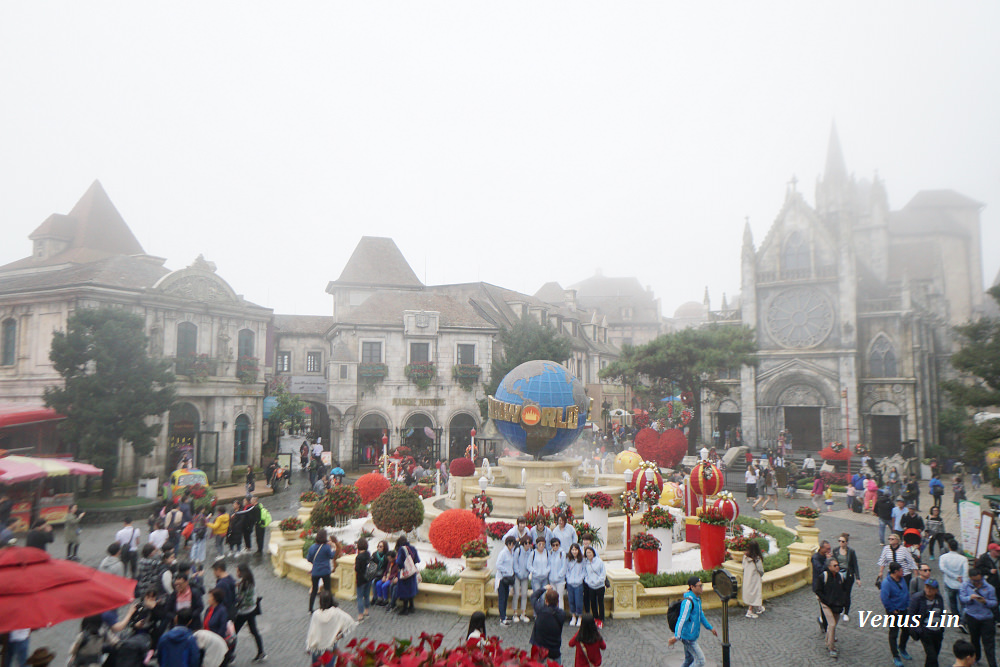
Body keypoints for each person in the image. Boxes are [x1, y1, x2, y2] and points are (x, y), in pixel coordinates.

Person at [668, 576, 717, 667]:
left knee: (689, 659)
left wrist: (710, 628)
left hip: (691, 636)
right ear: (692, 587)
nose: (701, 588)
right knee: (701, 661)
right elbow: (682, 619)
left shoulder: (697, 600)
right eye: (699, 586)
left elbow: (701, 615)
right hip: (688, 637)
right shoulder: (688, 602)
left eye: (702, 585)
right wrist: (676, 636)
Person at [814, 557, 853, 658]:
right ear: (829, 567)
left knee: (833, 625)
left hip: (837, 606)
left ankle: (828, 642)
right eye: (835, 565)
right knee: (831, 624)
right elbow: (818, 590)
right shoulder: (823, 577)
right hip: (826, 604)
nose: (837, 567)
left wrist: (843, 602)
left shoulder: (840, 577)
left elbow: (844, 590)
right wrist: (825, 601)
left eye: (837, 565)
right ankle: (832, 647)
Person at [306, 591, 357, 667]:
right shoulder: (336, 612)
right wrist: (340, 635)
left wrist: (309, 645)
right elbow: (350, 622)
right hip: (331, 646)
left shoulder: (316, 614)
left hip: (317, 647)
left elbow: (312, 631)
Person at [959, 568, 997, 667]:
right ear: (970, 578)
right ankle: (976, 658)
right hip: (972, 616)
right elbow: (962, 599)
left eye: (979, 580)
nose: (977, 583)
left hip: (987, 618)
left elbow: (994, 602)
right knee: (974, 640)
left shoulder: (989, 587)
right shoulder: (965, 585)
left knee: (989, 644)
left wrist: (985, 602)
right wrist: (970, 598)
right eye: (975, 581)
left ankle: (992, 664)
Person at [908, 578, 946, 667]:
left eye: (931, 588)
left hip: (937, 632)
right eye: (927, 587)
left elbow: (942, 613)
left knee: (933, 655)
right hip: (926, 631)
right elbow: (911, 615)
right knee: (932, 657)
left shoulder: (939, 598)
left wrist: (941, 628)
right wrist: (919, 630)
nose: (928, 590)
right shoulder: (917, 598)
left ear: (936, 590)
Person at [882, 562, 913, 666]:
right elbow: (884, 598)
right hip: (894, 612)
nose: (902, 572)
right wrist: (892, 609)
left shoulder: (902, 579)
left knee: (906, 630)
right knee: (894, 633)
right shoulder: (887, 583)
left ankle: (902, 648)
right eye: (901, 570)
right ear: (895, 572)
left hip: (904, 609)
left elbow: (906, 592)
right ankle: (895, 655)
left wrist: (908, 604)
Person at [233, 562, 266, 661]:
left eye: (237, 571)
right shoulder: (248, 582)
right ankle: (261, 652)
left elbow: (243, 599)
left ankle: (229, 654)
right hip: (251, 610)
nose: (236, 573)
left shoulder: (245, 584)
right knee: (254, 631)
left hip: (244, 612)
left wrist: (236, 602)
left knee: (233, 632)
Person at [529, 586, 567, 663]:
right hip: (554, 649)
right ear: (557, 602)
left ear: (546, 601)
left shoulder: (540, 610)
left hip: (540, 648)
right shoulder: (562, 614)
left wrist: (544, 588)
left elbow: (533, 597)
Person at [307, 529, 335, 613]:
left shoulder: (312, 547)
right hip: (325, 571)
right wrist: (333, 548)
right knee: (327, 589)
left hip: (315, 572)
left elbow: (309, 558)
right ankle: (329, 605)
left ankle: (310, 609)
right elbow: (331, 556)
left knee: (314, 590)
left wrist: (315, 563)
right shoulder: (326, 547)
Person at [834, 533, 860, 621]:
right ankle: (840, 608)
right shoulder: (836, 550)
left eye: (843, 541)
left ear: (846, 542)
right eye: (839, 541)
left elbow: (855, 565)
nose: (841, 543)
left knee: (847, 594)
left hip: (848, 574)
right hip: (839, 574)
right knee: (839, 593)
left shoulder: (851, 552)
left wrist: (858, 578)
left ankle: (846, 612)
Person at [940, 538, 969, 616]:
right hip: (961, 584)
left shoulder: (943, 557)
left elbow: (943, 568)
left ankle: (956, 617)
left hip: (949, 582)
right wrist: (964, 581)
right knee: (963, 602)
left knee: (952, 602)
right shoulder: (963, 559)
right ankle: (963, 618)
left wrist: (954, 576)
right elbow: (966, 571)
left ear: (949, 547)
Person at [395, 534, 420, 615]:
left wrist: (402, 567)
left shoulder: (401, 549)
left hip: (405, 573)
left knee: (404, 591)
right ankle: (411, 607)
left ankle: (405, 609)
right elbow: (417, 560)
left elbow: (399, 562)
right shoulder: (413, 548)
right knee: (411, 590)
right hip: (412, 572)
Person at [583, 546, 606, 629]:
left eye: (590, 552)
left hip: (599, 586)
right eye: (587, 553)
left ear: (593, 553)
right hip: (591, 586)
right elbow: (585, 574)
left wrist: (598, 581)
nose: (589, 554)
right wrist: (588, 581)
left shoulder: (599, 562)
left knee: (600, 603)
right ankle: (595, 618)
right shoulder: (586, 563)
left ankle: (601, 619)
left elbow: (603, 574)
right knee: (593, 603)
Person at [495, 535, 517, 626]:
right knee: (502, 598)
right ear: (508, 544)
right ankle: (502, 618)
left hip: (508, 579)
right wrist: (506, 571)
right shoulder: (503, 553)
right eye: (512, 544)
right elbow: (498, 565)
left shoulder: (511, 552)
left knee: (505, 599)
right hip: (502, 579)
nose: (513, 546)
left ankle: (504, 616)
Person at [742, 539, 765, 618]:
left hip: (747, 578)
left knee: (751, 593)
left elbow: (743, 566)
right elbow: (761, 570)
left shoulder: (745, 557)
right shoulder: (757, 559)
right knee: (755, 593)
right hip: (755, 579)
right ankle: (750, 611)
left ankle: (759, 607)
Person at [565, 543, 586, 627]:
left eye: (576, 550)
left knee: (579, 601)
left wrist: (580, 579)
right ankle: (573, 616)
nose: (574, 551)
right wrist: (568, 579)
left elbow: (584, 571)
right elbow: (566, 570)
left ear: (578, 550)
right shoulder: (568, 559)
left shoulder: (582, 559)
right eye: (572, 550)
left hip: (579, 583)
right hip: (570, 583)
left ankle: (579, 616)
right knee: (571, 600)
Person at [513, 535, 532, 623]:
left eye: (529, 543)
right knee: (516, 594)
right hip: (517, 575)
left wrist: (528, 573)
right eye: (526, 543)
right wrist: (518, 573)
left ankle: (523, 614)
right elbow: (515, 563)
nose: (527, 545)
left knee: (524, 594)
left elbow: (530, 563)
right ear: (523, 543)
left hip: (525, 576)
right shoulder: (518, 550)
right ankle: (515, 613)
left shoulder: (531, 551)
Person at [354, 537, 372, 622]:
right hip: (368, 578)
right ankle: (366, 611)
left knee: (360, 597)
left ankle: (360, 615)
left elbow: (357, 569)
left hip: (361, 579)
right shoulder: (368, 554)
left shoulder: (359, 557)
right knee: (367, 595)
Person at [548, 537, 568, 612]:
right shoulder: (550, 553)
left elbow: (564, 566)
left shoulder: (562, 553)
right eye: (553, 545)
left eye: (557, 545)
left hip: (560, 580)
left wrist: (559, 575)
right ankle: (553, 612)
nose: (555, 547)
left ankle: (560, 613)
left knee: (560, 598)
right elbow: (549, 565)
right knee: (553, 598)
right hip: (552, 580)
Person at [369, 540, 390, 606]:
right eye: (378, 546)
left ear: (384, 548)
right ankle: (375, 598)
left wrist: (385, 575)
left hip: (383, 574)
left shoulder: (387, 556)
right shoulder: (375, 554)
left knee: (375, 582)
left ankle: (377, 598)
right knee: (373, 581)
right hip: (375, 573)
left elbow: (388, 568)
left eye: (381, 547)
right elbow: (371, 563)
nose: (379, 548)